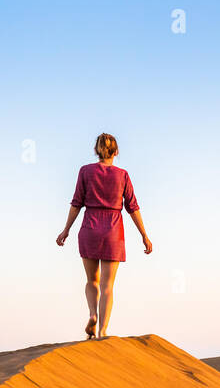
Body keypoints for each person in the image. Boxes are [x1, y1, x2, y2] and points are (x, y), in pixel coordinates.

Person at [56, 133, 152, 339]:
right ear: (116, 152)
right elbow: (132, 208)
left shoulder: (85, 171)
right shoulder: (122, 175)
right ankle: (102, 331)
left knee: (92, 281)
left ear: (96, 151)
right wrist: (144, 235)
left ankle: (92, 314)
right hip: (113, 231)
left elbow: (76, 204)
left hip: (89, 228)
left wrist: (66, 230)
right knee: (107, 285)